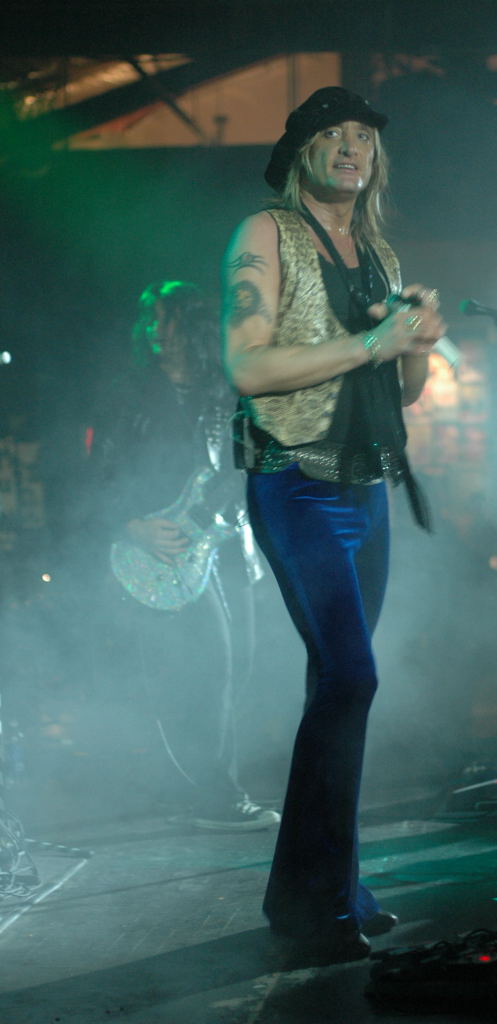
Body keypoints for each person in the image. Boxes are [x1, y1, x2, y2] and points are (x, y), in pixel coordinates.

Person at [222, 86, 446, 961]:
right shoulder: (265, 234)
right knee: (352, 678)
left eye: (365, 136)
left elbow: (403, 390)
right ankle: (315, 900)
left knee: (338, 687)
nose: (352, 146)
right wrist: (369, 344)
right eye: (333, 133)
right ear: (302, 151)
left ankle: (324, 888)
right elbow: (247, 368)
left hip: (365, 488)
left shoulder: (380, 252)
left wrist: (416, 342)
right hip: (296, 482)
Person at [87, 280, 279, 831]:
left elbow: (252, 463)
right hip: (163, 550)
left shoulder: (227, 390)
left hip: (226, 543)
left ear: (191, 325)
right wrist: (131, 526)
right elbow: (96, 477)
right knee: (210, 669)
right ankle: (218, 797)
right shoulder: (127, 394)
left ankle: (189, 786)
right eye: (148, 319)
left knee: (239, 666)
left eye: (165, 318)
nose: (154, 330)